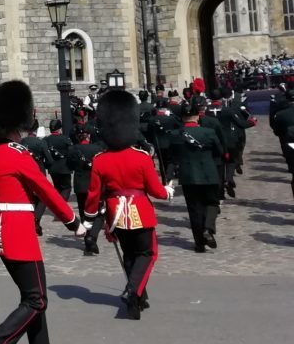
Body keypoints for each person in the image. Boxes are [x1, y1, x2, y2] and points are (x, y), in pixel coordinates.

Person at [0, 80, 86, 344]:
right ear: (13, 123)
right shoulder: (16, 153)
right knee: (36, 300)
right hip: (19, 232)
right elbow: (45, 189)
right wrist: (73, 222)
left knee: (32, 297)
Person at [84, 89, 174, 319]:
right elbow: (155, 190)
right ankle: (132, 290)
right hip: (140, 210)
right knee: (147, 253)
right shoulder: (141, 157)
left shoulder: (100, 159)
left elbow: (94, 194)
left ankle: (137, 300)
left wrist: (88, 218)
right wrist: (168, 192)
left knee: (129, 255)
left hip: (115, 214)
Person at [175, 101, 225, 252]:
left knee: (194, 209)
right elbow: (219, 151)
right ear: (197, 116)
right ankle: (208, 228)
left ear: (182, 118)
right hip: (208, 173)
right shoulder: (208, 132)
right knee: (212, 203)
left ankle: (199, 243)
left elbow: (173, 155)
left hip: (188, 176)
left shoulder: (176, 135)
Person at [67, 130, 105, 255]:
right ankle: (91, 236)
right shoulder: (97, 148)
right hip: (94, 184)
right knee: (98, 212)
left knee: (84, 213)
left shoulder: (73, 149)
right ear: (88, 136)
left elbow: (70, 166)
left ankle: (87, 239)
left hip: (80, 184)